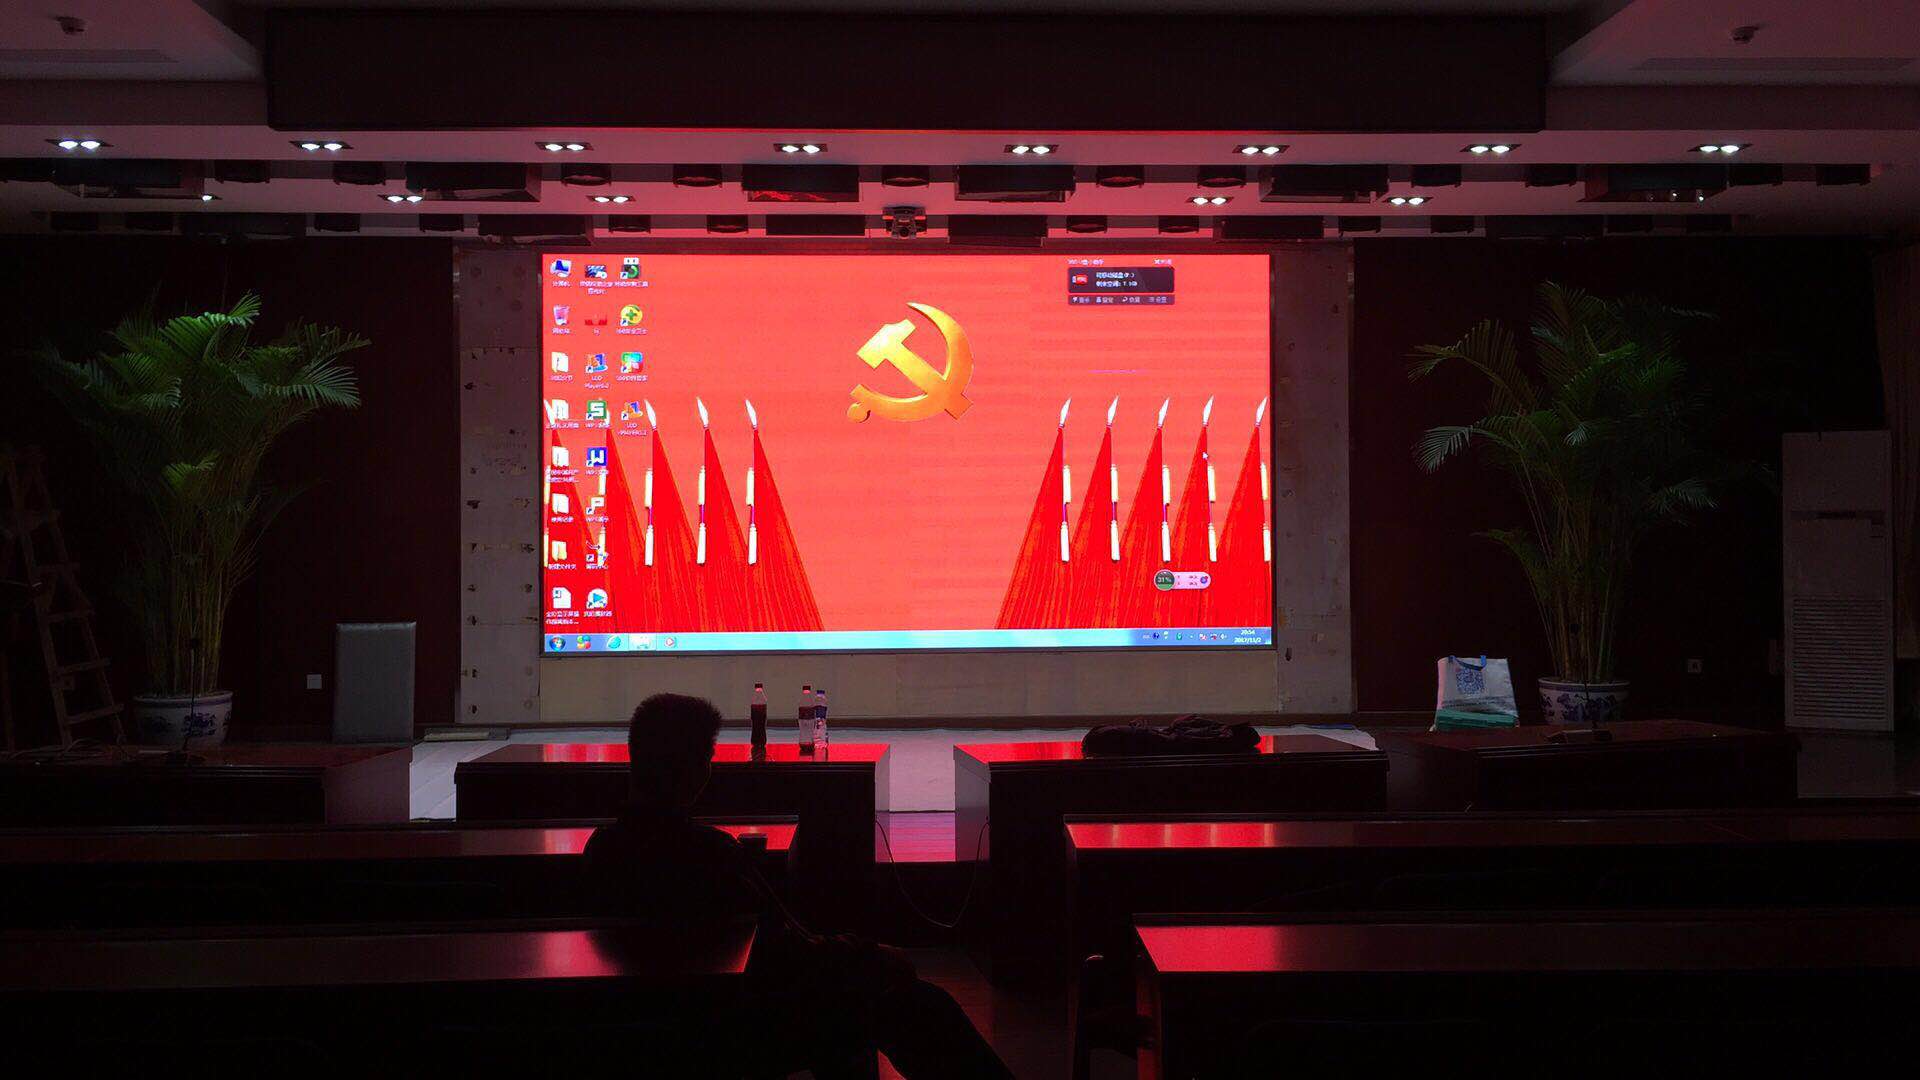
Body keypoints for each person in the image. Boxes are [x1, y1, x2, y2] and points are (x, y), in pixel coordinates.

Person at [584, 693, 1013, 1080]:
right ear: (696, 771)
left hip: (652, 1033)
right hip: (729, 1031)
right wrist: (869, 954)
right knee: (911, 1006)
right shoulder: (711, 854)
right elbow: (786, 950)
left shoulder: (600, 851)